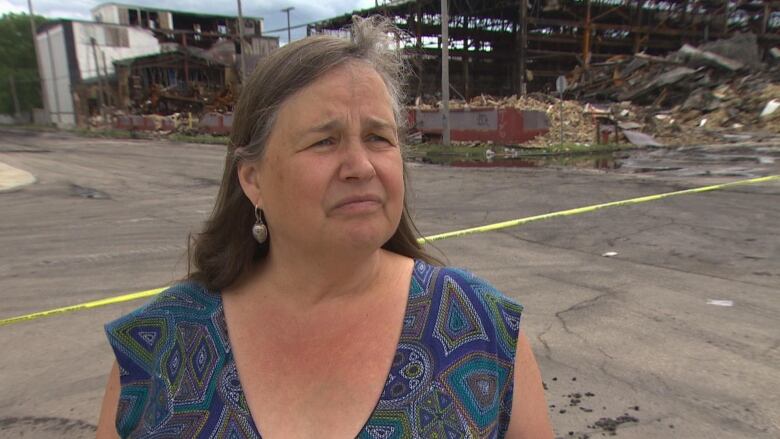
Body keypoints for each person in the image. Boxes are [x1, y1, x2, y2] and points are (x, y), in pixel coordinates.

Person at [96, 16, 553, 439]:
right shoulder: (159, 344)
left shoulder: (481, 329)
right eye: (324, 141)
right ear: (252, 179)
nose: (360, 166)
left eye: (378, 137)